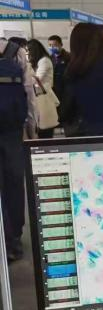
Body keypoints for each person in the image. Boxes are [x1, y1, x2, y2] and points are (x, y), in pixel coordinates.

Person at [0, 35, 36, 262]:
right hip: (12, 130)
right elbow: (29, 92)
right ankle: (13, 239)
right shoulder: (16, 52)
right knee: (13, 183)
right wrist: (32, 126)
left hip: (11, 129)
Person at [26, 39, 58, 138]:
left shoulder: (44, 61)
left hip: (43, 96)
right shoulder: (39, 61)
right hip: (39, 96)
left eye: (28, 50)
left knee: (45, 128)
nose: (27, 53)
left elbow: (37, 79)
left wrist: (26, 69)